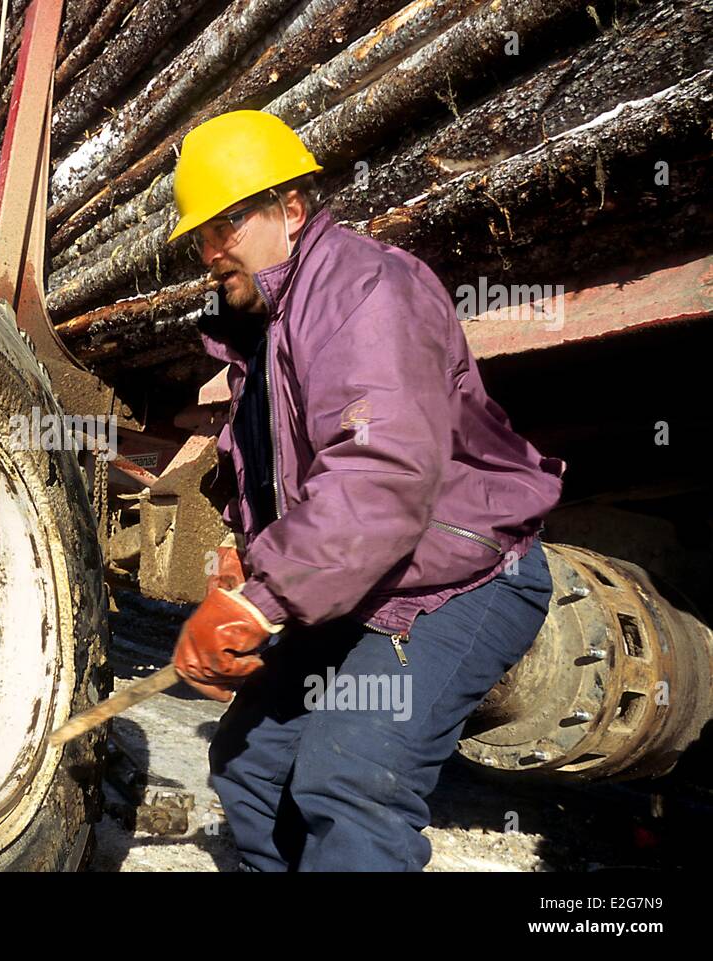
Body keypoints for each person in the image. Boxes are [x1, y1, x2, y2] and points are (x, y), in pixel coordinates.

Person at [167, 110, 566, 871]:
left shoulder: (364, 289)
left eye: (228, 223)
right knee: (250, 769)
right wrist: (245, 565)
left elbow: (378, 475)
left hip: (457, 574)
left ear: (291, 209)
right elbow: (285, 479)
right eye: (202, 235)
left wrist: (263, 600)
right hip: (364, 577)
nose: (212, 250)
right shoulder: (270, 325)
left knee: (348, 781)